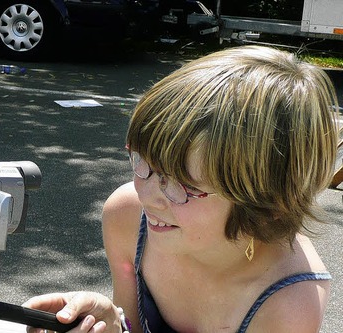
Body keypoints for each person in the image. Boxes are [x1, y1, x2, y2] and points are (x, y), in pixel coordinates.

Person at [24, 45, 339, 333]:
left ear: (267, 200)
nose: (148, 195)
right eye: (142, 161)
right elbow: (132, 325)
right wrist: (113, 323)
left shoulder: (289, 302)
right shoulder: (128, 216)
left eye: (183, 184)